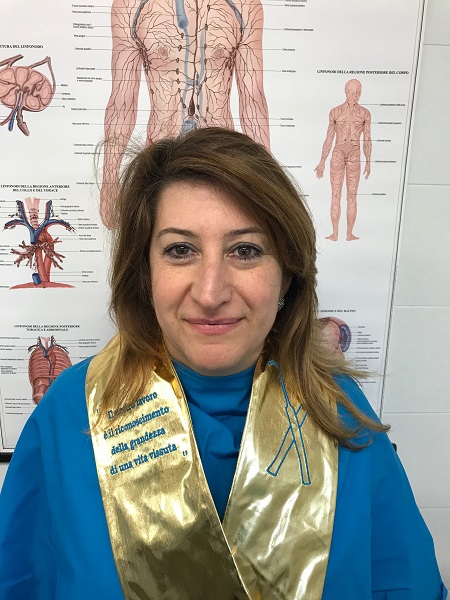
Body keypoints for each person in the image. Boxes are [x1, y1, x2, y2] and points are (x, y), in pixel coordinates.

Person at [0, 127, 446, 599]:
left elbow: (404, 584)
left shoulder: (335, 409)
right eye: (180, 250)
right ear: (145, 272)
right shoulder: (73, 410)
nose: (211, 292)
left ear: (287, 276)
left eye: (245, 251)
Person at [100, 0, 270, 229]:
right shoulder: (129, 6)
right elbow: (123, 99)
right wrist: (110, 182)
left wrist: (268, 179)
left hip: (222, 161)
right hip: (160, 165)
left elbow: (253, 98)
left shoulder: (245, 6)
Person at [314, 79, 372, 242]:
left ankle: (339, 234)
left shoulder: (338, 111)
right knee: (347, 195)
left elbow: (330, 138)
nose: (355, 95)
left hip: (344, 152)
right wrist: (321, 162)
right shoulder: (362, 113)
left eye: (356, 92)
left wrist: (322, 162)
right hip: (349, 153)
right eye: (354, 92)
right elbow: (366, 139)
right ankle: (345, 234)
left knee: (340, 195)